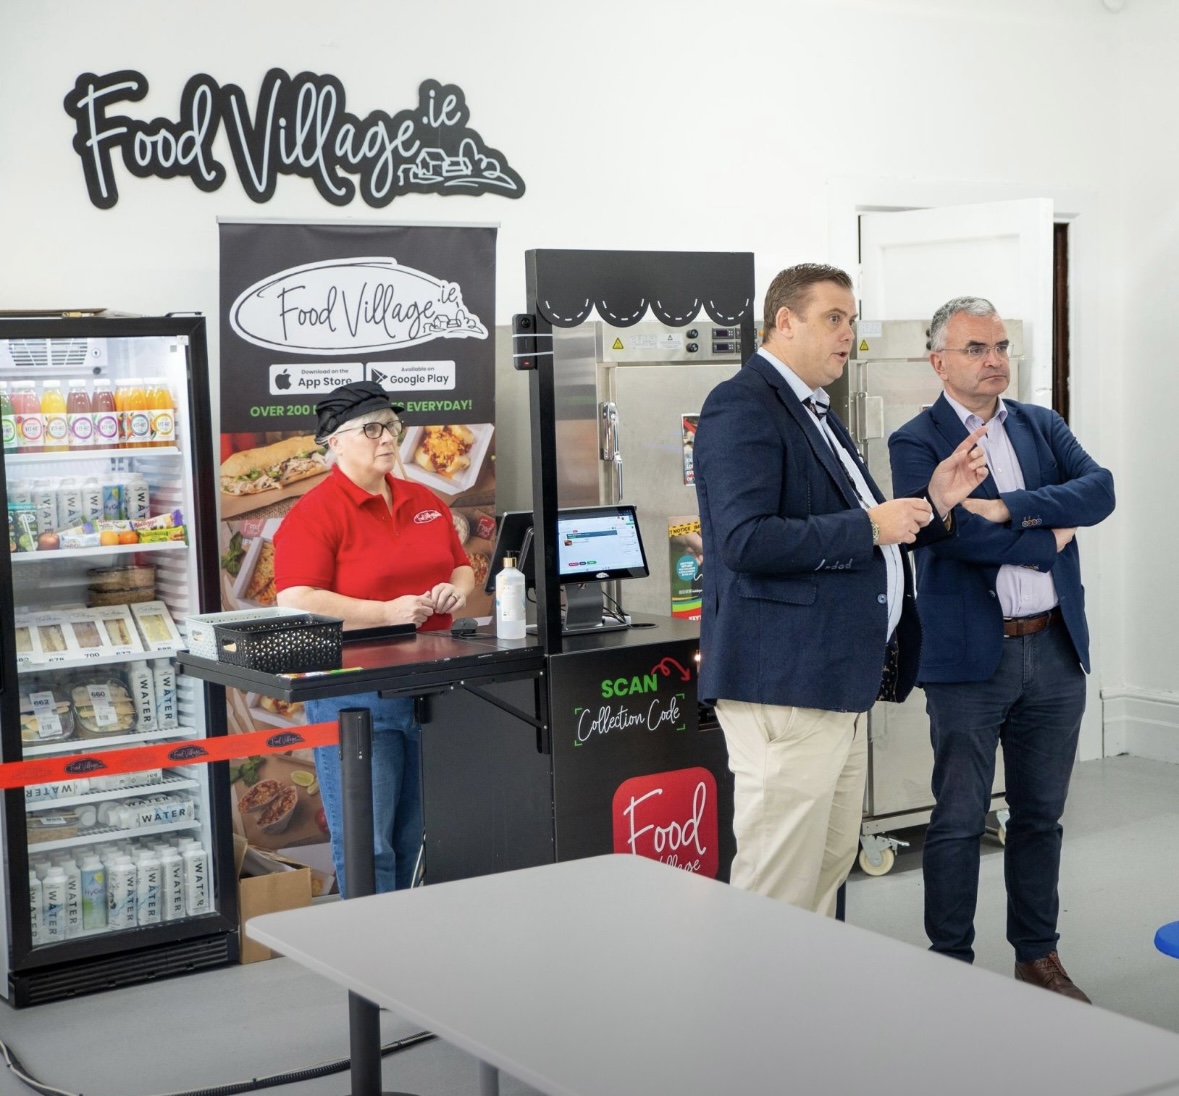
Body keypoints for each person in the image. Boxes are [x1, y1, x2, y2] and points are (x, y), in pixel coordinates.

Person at [693, 263, 990, 916]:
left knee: (823, 868)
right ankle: (758, 1016)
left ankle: (805, 1010)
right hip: (784, 683)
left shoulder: (813, 411)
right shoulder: (742, 404)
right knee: (777, 883)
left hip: (834, 683)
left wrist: (932, 501)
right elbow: (745, 542)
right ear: (784, 321)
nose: (846, 335)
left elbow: (868, 531)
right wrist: (866, 524)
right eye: (833, 319)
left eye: (851, 321)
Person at [888, 296, 1115, 1001]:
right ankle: (948, 963)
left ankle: (1036, 957)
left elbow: (1099, 491)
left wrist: (1004, 506)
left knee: (1040, 816)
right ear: (938, 361)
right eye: (976, 349)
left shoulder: (1041, 425)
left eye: (1000, 348)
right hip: (967, 663)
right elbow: (942, 537)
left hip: (1052, 652)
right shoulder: (914, 442)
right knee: (956, 820)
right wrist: (1046, 533)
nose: (993, 362)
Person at [274, 381, 473, 895]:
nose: (389, 438)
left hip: (434, 686)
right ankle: (371, 956)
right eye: (373, 428)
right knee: (370, 843)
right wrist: (385, 612)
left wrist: (454, 591)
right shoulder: (315, 513)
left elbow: (461, 566)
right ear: (334, 443)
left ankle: (410, 947)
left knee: (421, 834)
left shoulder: (423, 498)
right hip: (357, 695)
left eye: (392, 426)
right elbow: (297, 598)